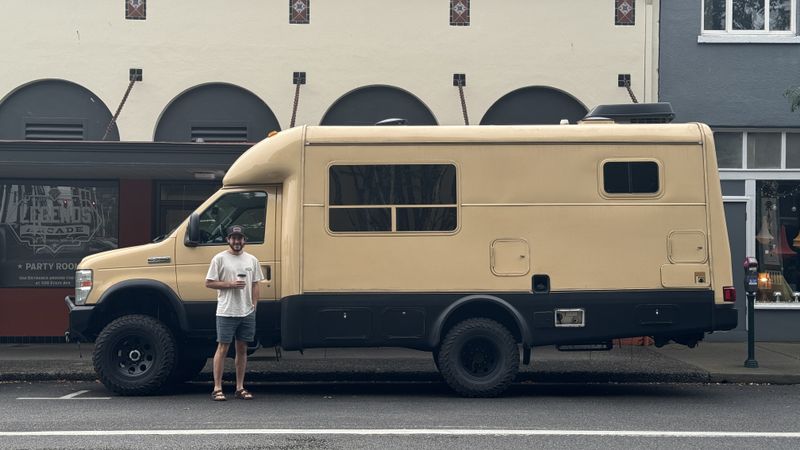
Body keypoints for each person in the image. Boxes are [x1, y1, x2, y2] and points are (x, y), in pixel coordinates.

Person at [205, 225, 264, 401]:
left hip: (246, 312)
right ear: (228, 240)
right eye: (233, 238)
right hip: (226, 311)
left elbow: (255, 284)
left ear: (244, 240)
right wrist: (230, 284)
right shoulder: (219, 259)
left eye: (240, 238)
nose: (237, 241)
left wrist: (254, 305)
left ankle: (240, 387)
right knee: (222, 348)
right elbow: (209, 283)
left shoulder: (252, 260)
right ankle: (217, 388)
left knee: (242, 349)